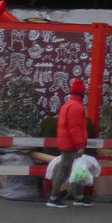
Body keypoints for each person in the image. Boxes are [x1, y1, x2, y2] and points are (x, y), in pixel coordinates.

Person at [47, 78, 91, 208]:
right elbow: (75, 129)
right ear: (81, 93)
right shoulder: (76, 107)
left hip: (66, 142)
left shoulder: (67, 105)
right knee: (66, 169)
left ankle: (79, 196)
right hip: (71, 144)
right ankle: (54, 197)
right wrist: (80, 146)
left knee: (74, 168)